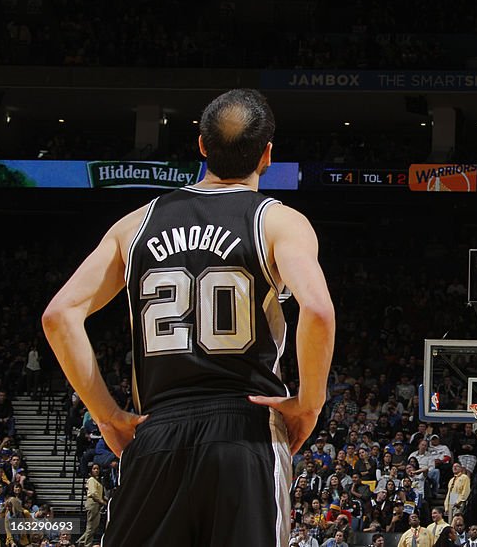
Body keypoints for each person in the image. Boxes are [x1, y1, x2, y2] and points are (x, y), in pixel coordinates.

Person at [42, 89, 337, 547]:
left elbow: (59, 315)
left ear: (201, 146)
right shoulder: (279, 222)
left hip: (157, 431)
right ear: (267, 155)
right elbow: (317, 310)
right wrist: (309, 402)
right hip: (246, 430)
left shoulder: (134, 224)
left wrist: (108, 415)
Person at [77, 465, 105, 547]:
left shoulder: (97, 481)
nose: (96, 470)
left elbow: (100, 493)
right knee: (91, 526)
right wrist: (102, 502)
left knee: (94, 526)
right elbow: (93, 493)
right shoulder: (91, 480)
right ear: (91, 470)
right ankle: (87, 544)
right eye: (94, 469)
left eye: (97, 469)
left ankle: (81, 541)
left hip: (97, 503)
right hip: (93, 502)